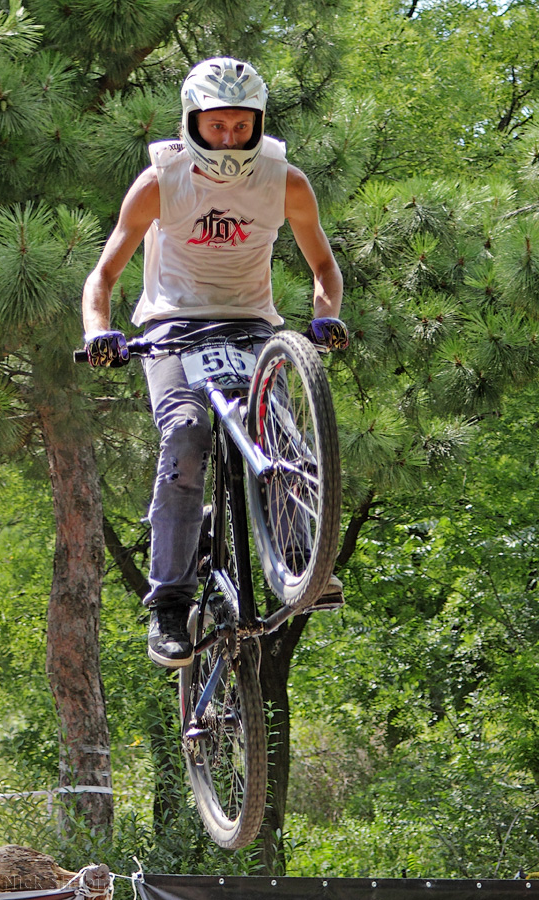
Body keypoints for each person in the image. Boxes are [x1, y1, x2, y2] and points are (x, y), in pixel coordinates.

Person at [82, 56, 348, 669]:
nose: (228, 139)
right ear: (192, 123)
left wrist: (325, 313)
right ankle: (169, 606)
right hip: (172, 327)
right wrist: (100, 330)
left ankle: (301, 557)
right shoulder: (160, 180)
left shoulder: (285, 182)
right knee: (187, 434)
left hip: (254, 326)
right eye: (216, 126)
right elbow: (104, 275)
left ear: (257, 124)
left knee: (279, 433)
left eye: (240, 126)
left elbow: (324, 268)